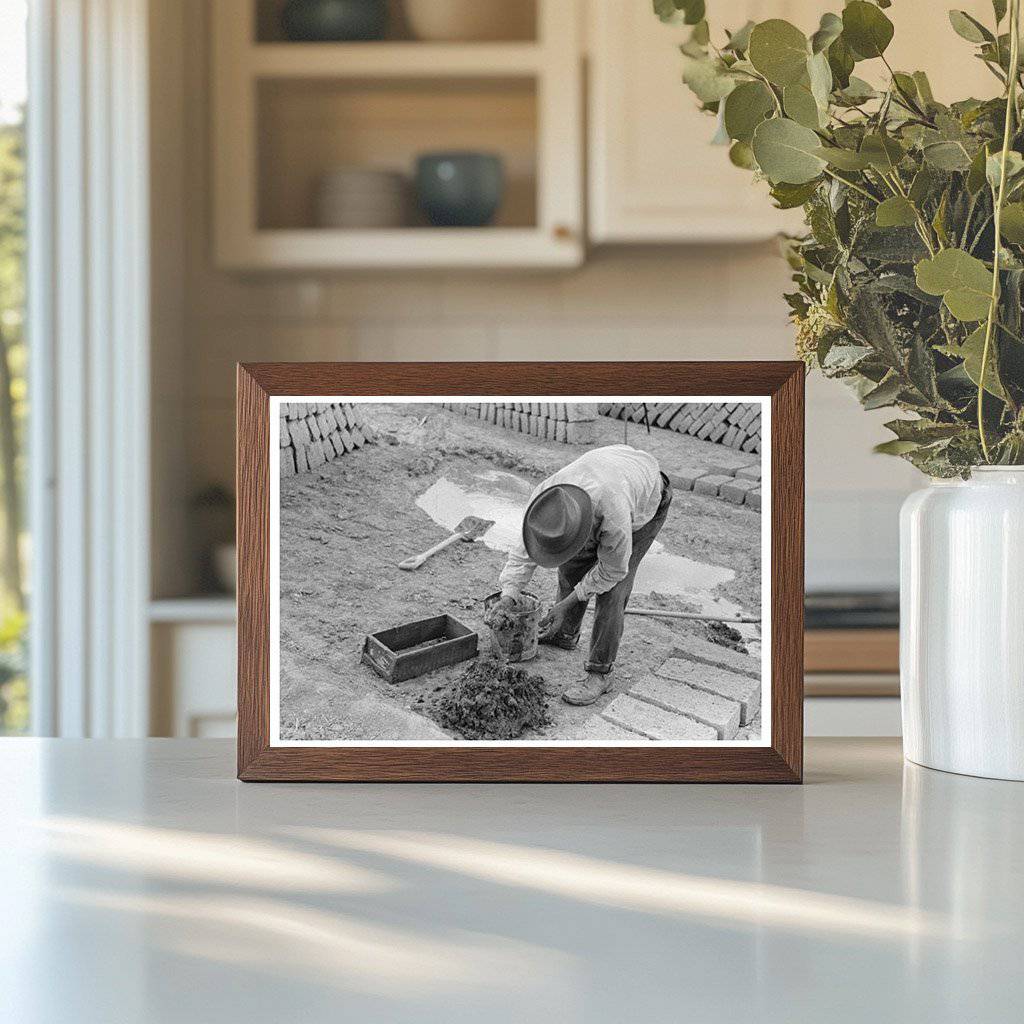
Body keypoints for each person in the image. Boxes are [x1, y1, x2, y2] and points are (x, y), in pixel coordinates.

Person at [498, 444, 673, 706]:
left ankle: (600, 673)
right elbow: (523, 553)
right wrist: (508, 595)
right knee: (572, 564)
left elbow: (612, 571)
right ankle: (565, 634)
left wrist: (565, 604)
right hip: (613, 470)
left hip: (646, 497)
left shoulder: (614, 514)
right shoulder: (546, 500)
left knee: (613, 592)